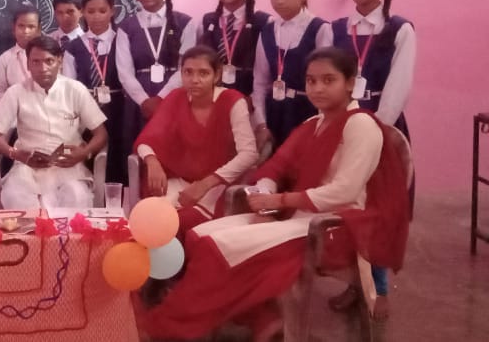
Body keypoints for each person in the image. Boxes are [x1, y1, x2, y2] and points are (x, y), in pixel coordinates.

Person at [141, 48, 409, 342]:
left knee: (219, 248)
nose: (317, 88)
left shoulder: (360, 125)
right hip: (297, 215)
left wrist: (280, 201)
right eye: (311, 81)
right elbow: (276, 166)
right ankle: (260, 319)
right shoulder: (313, 124)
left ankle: (179, 325)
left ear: (350, 83)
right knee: (199, 236)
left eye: (328, 80)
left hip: (335, 225)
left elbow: (343, 191)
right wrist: (264, 198)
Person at [330, 0, 416, 319]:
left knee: (380, 207)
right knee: (349, 206)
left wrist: (375, 131)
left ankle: (378, 288)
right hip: (342, 126)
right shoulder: (335, 29)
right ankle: (355, 282)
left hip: (383, 127)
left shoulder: (400, 29)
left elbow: (399, 86)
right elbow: (328, 80)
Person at [133, 46, 259, 234]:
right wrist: (152, 161)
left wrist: (205, 184)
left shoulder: (232, 101)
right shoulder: (176, 97)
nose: (195, 80)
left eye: (203, 73)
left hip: (218, 185)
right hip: (181, 181)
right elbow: (148, 138)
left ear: (217, 75)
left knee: (181, 223)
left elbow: (249, 154)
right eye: (188, 72)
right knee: (149, 219)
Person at [0, 35, 109, 210]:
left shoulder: (75, 90)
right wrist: (18, 154)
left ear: (59, 61)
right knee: (14, 196)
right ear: (28, 64)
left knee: (76, 195)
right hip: (28, 167)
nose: (42, 68)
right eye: (35, 62)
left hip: (68, 165)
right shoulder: (16, 92)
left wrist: (84, 154)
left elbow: (101, 134)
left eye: (49, 61)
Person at [115, 0, 196, 163]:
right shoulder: (126, 27)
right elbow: (124, 72)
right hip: (138, 100)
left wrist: (161, 98)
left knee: (175, 153)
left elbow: (186, 68)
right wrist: (144, 101)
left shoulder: (185, 23)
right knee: (138, 155)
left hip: (174, 96)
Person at [252, 0, 333, 152]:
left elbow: (327, 82)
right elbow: (260, 82)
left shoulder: (319, 29)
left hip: (307, 113)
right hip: (274, 114)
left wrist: (322, 123)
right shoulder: (267, 30)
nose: (280, 0)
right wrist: (261, 123)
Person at [61, 0, 127, 185]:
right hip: (86, 111)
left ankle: (115, 201)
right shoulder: (73, 47)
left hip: (118, 111)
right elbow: (69, 85)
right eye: (90, 11)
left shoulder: (122, 40)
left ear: (112, 11)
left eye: (102, 11)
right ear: (82, 12)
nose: (96, 16)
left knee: (117, 163)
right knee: (90, 165)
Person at [195, 0, 271, 98]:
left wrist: (253, 100)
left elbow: (266, 73)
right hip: (212, 99)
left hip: (248, 100)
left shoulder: (263, 22)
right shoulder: (206, 22)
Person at [0, 3, 43, 101]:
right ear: (13, 28)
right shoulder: (6, 58)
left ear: (39, 29)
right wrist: (13, 102)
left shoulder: (48, 55)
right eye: (21, 26)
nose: (26, 31)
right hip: (16, 108)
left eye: (31, 27)